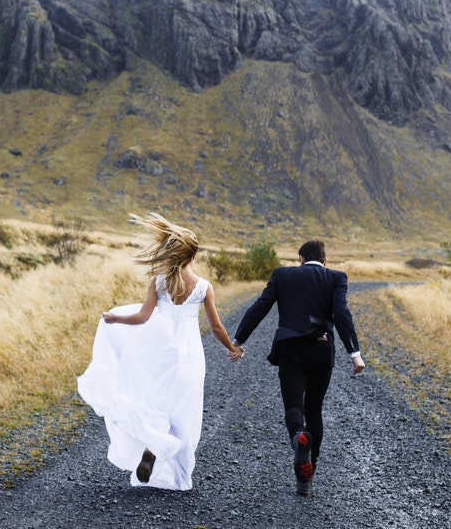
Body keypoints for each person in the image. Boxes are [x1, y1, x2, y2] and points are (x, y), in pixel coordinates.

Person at [77, 213, 244, 490]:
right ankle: (175, 472)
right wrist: (232, 347)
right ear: (193, 256)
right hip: (189, 354)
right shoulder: (203, 287)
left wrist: (116, 319)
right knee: (184, 409)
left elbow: (143, 317)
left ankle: (154, 445)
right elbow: (215, 327)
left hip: (160, 349)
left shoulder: (158, 281)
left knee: (158, 403)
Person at [231, 239, 365, 496]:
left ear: (300, 259)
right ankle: (306, 479)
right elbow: (341, 313)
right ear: (325, 262)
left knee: (294, 407)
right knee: (314, 411)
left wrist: (237, 340)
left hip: (291, 350)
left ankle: (297, 438)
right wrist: (354, 354)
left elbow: (261, 307)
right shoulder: (336, 277)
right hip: (321, 349)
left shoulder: (283, 275)